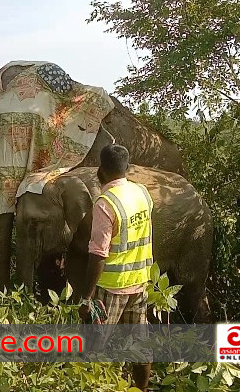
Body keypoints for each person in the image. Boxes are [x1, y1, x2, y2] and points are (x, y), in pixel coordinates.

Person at [78, 144, 153, 391]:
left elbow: (98, 254)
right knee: (140, 348)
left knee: (93, 349)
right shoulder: (142, 193)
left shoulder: (105, 202)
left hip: (110, 288)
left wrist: (86, 298)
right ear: (127, 168)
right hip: (139, 284)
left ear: (101, 170)